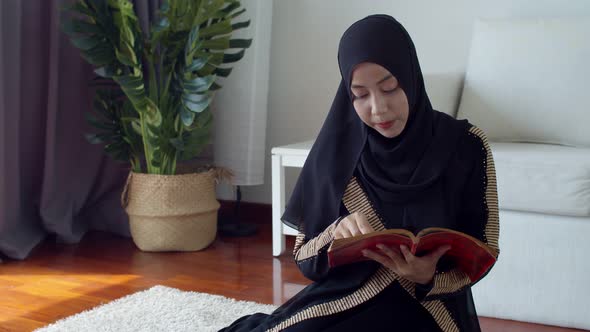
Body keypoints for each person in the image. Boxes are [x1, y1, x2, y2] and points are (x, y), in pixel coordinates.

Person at [220, 14, 499, 332]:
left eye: (390, 88)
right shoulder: (338, 152)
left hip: (431, 309)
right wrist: (335, 232)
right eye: (361, 95)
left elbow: (484, 248)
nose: (378, 108)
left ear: (410, 77)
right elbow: (305, 257)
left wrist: (428, 277)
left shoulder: (466, 146)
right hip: (348, 298)